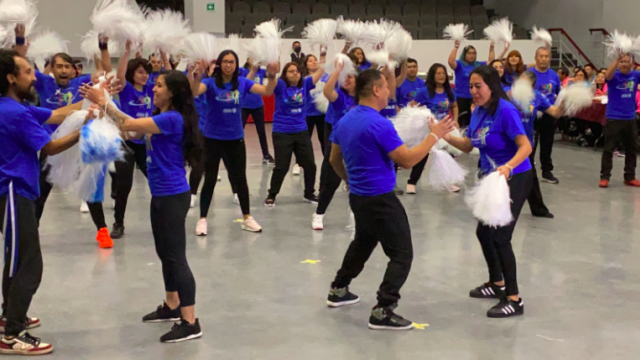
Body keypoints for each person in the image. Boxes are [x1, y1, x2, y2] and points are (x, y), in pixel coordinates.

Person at [325, 68, 454, 330]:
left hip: (359, 198)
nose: (389, 92)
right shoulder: (379, 123)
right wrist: (434, 136)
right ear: (375, 90)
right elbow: (406, 160)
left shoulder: (345, 120)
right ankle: (383, 309)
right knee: (402, 254)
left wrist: (351, 181)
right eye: (385, 87)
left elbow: (333, 160)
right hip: (381, 200)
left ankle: (338, 289)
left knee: (363, 242)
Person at [82, 70, 204, 343]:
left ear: (172, 92)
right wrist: (105, 114)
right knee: (164, 253)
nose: (154, 89)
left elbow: (128, 122)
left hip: (173, 196)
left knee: (176, 257)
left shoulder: (172, 118)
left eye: (159, 85)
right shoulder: (160, 117)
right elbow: (130, 130)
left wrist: (104, 102)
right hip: (160, 195)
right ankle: (172, 306)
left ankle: (191, 322)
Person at [0, 49, 102, 354]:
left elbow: (58, 114)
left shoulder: (14, 106)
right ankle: (12, 333)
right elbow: (51, 147)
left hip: (16, 193)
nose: (35, 76)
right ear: (10, 78)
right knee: (29, 264)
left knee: (16, 260)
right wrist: (86, 130)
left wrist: (93, 100)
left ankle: (9, 319)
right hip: (14, 193)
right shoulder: (14, 113)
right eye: (27, 72)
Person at [442, 65, 533, 318]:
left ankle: (514, 299)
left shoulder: (506, 111)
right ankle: (497, 283)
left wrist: (508, 167)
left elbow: (525, 147)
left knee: (501, 237)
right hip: (490, 178)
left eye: (477, 86)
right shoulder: (478, 112)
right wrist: (441, 134)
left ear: (491, 86)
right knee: (484, 232)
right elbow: (468, 145)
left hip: (515, 176)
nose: (473, 91)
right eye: (470, 86)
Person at [188, 50, 278, 235]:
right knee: (210, 179)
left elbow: (267, 91)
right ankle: (203, 219)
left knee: (240, 180)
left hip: (235, 139)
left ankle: (247, 217)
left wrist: (271, 75)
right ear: (220, 64)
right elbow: (195, 91)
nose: (229, 65)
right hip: (212, 139)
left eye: (232, 62)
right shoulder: (210, 83)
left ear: (236, 65)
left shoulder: (243, 83)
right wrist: (195, 76)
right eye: (226, 61)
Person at [264, 58, 325, 206]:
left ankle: (309, 193)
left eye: (297, 71)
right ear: (285, 74)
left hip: (301, 131)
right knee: (282, 166)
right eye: (291, 71)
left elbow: (320, 71)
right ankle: (272, 194)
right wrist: (271, 71)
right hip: (282, 131)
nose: (295, 74)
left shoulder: (305, 84)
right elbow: (270, 82)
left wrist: (323, 54)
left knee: (310, 165)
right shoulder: (280, 85)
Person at [109, 41, 153, 239]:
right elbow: (120, 75)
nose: (144, 76)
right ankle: (118, 223)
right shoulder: (126, 90)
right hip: (126, 145)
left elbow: (169, 76)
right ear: (132, 73)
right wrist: (126, 52)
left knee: (155, 179)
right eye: (140, 72)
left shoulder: (150, 89)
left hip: (145, 144)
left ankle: (163, 217)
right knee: (124, 187)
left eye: (146, 72)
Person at [311, 59, 357, 230]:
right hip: (338, 143)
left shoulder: (364, 99)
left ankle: (355, 212)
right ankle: (319, 214)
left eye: (351, 77)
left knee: (356, 180)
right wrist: (337, 71)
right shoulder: (340, 97)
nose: (347, 80)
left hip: (357, 144)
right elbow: (327, 90)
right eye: (345, 77)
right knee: (331, 181)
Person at [515, 71, 564, 218]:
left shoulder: (537, 96)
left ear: (532, 84)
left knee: (529, 175)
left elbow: (555, 113)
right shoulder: (509, 94)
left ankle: (538, 209)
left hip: (525, 144)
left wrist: (566, 100)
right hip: (507, 142)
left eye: (525, 81)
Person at [408, 63, 460, 194]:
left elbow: (454, 106)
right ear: (432, 75)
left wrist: (455, 120)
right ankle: (412, 182)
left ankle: (448, 182)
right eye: (439, 73)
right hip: (428, 129)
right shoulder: (424, 91)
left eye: (443, 73)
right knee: (423, 155)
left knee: (448, 154)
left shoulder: (449, 91)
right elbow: (412, 106)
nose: (442, 76)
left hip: (445, 127)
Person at [599, 53, 640, 188]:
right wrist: (616, 60)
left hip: (630, 118)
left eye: (626, 62)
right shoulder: (614, 75)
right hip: (614, 117)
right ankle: (605, 177)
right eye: (621, 62)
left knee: (632, 148)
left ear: (632, 64)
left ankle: (630, 176)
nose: (623, 64)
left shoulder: (635, 75)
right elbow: (607, 76)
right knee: (608, 148)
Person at [529, 47, 561, 184]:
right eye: (541, 56)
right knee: (530, 144)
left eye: (546, 56)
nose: (543, 59)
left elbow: (558, 93)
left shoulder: (554, 75)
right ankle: (528, 170)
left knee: (547, 143)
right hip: (532, 114)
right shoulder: (529, 74)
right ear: (536, 58)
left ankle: (546, 171)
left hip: (549, 113)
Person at [448, 41, 497, 128]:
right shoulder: (460, 64)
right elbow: (451, 61)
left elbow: (491, 62)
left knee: (474, 121)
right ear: (464, 54)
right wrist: (456, 47)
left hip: (475, 98)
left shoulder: (478, 65)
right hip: (460, 98)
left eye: (474, 53)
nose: (472, 55)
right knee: (461, 123)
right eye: (469, 53)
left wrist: (491, 49)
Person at [239, 58, 274, 164]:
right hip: (244, 105)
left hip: (258, 105)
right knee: (240, 131)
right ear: (248, 60)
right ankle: (238, 155)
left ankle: (266, 155)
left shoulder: (262, 72)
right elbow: (245, 83)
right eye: (253, 58)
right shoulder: (242, 71)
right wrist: (252, 70)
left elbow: (272, 75)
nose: (256, 61)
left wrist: (271, 61)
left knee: (261, 131)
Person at [302, 53, 330, 155]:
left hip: (322, 114)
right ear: (306, 65)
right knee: (304, 141)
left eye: (315, 60)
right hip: (308, 113)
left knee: (324, 141)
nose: (314, 62)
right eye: (310, 60)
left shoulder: (326, 76)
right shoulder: (304, 78)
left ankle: (327, 163)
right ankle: (298, 163)